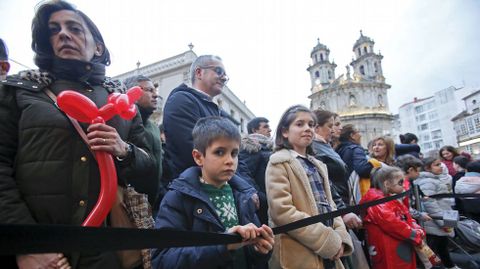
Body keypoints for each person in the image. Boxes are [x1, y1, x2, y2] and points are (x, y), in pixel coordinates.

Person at [0, 1, 154, 268]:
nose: (63, 34)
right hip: (41, 257)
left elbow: (151, 173)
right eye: (54, 30)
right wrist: (25, 243)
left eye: (74, 28)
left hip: (107, 256)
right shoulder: (20, 91)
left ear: (98, 46)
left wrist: (124, 151)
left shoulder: (122, 102)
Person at [152, 116, 274, 269]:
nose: (230, 160)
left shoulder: (243, 195)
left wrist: (260, 250)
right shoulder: (178, 198)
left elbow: (252, 254)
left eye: (234, 153)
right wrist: (223, 245)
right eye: (220, 152)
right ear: (198, 157)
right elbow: (162, 259)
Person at [266, 105, 352, 269]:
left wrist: (340, 237)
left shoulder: (318, 164)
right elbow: (282, 211)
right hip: (298, 251)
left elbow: (331, 205)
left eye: (311, 125)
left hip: (330, 250)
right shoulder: (279, 162)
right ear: (285, 131)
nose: (307, 129)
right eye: (300, 124)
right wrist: (327, 242)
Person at [163, 55, 229, 179]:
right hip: (193, 188)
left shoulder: (217, 111)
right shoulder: (181, 100)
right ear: (199, 72)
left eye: (226, 75)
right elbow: (192, 150)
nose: (224, 78)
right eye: (219, 71)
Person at [360, 166, 425, 269]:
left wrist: (416, 228)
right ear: (387, 184)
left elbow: (405, 215)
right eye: (400, 183)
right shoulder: (379, 203)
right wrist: (415, 234)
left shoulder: (387, 199)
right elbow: (394, 224)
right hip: (391, 248)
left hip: (396, 245)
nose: (403, 186)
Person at [312, 109, 362, 230]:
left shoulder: (325, 146)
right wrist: (342, 210)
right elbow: (326, 183)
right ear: (317, 128)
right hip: (334, 207)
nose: (333, 129)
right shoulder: (315, 148)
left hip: (340, 202)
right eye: (330, 126)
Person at [124, 75, 165, 211]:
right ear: (132, 91)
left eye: (156, 91)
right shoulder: (123, 121)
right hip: (127, 205)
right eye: (150, 90)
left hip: (152, 204)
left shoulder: (153, 127)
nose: (155, 96)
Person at [415, 157, 459, 269]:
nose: (441, 166)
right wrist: (442, 221)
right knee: (432, 249)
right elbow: (429, 203)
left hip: (439, 218)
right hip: (435, 220)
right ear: (427, 168)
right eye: (437, 164)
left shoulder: (434, 179)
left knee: (442, 246)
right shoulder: (427, 181)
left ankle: (450, 265)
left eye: (440, 164)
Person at [237, 117, 273, 225]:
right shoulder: (251, 147)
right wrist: (262, 197)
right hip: (263, 205)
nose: (270, 130)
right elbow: (244, 174)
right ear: (254, 130)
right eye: (265, 127)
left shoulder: (268, 147)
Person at [336, 124, 379, 203]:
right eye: (358, 132)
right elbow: (363, 169)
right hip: (356, 194)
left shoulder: (340, 149)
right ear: (352, 135)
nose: (360, 135)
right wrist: (376, 163)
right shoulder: (355, 149)